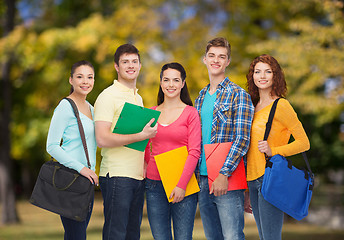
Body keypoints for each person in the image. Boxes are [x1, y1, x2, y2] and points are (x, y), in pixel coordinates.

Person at [94, 43, 157, 240]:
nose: (130, 65)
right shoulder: (107, 96)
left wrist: (145, 162)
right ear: (116, 66)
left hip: (137, 177)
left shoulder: (137, 98)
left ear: (140, 65)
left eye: (134, 61)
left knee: (132, 235)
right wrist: (141, 136)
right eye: (125, 62)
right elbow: (102, 138)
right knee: (116, 234)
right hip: (116, 176)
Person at [195, 37, 254, 240]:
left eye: (221, 57)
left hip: (227, 179)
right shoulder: (200, 97)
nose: (216, 60)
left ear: (228, 61)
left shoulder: (239, 95)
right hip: (202, 179)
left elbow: (243, 139)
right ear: (205, 59)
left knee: (232, 237)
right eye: (212, 56)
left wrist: (223, 173)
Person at [245, 54, 310, 240]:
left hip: (270, 178)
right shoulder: (252, 106)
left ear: (276, 76)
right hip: (252, 180)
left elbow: (304, 142)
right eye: (257, 72)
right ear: (252, 76)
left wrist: (274, 150)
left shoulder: (281, 105)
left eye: (268, 71)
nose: (262, 76)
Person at [144, 62, 201, 240]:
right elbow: (145, 145)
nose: (171, 85)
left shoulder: (191, 113)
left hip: (183, 185)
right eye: (166, 80)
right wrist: (146, 165)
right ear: (161, 83)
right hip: (154, 185)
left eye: (176, 80)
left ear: (183, 83)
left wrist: (181, 185)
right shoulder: (151, 113)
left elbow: (194, 152)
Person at [46, 60, 98, 240]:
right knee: (77, 236)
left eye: (90, 77)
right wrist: (82, 168)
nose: (85, 81)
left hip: (87, 183)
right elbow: (52, 146)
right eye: (80, 77)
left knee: (74, 236)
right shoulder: (65, 106)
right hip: (71, 181)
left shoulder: (92, 108)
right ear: (71, 80)